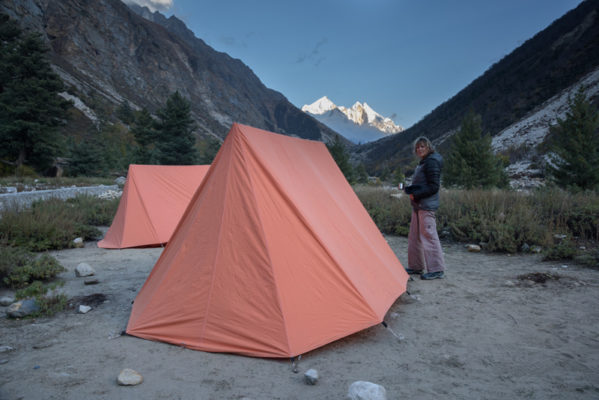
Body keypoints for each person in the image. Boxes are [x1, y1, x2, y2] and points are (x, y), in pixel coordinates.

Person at [403, 136, 446, 280]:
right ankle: (416, 266)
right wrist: (410, 189)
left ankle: (436, 269)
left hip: (426, 206)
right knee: (414, 236)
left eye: (422, 146)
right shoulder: (424, 162)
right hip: (418, 205)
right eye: (417, 147)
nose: (419, 149)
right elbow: (423, 183)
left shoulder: (432, 162)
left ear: (428, 147)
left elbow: (434, 187)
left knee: (429, 236)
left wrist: (416, 195)